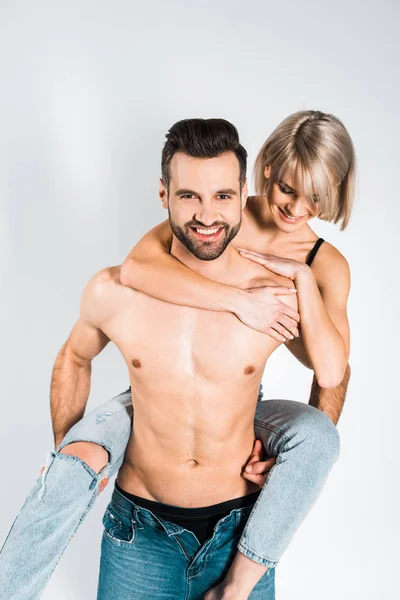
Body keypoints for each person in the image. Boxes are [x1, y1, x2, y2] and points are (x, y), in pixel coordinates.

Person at [0, 113, 353, 600]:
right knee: (72, 463)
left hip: (238, 525)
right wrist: (71, 453)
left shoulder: (292, 286)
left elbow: (333, 368)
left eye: (222, 196)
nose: (208, 216)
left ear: (238, 189)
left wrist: (290, 464)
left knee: (319, 437)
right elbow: (116, 295)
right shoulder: (126, 283)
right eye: (190, 196)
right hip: (138, 529)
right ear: (164, 195)